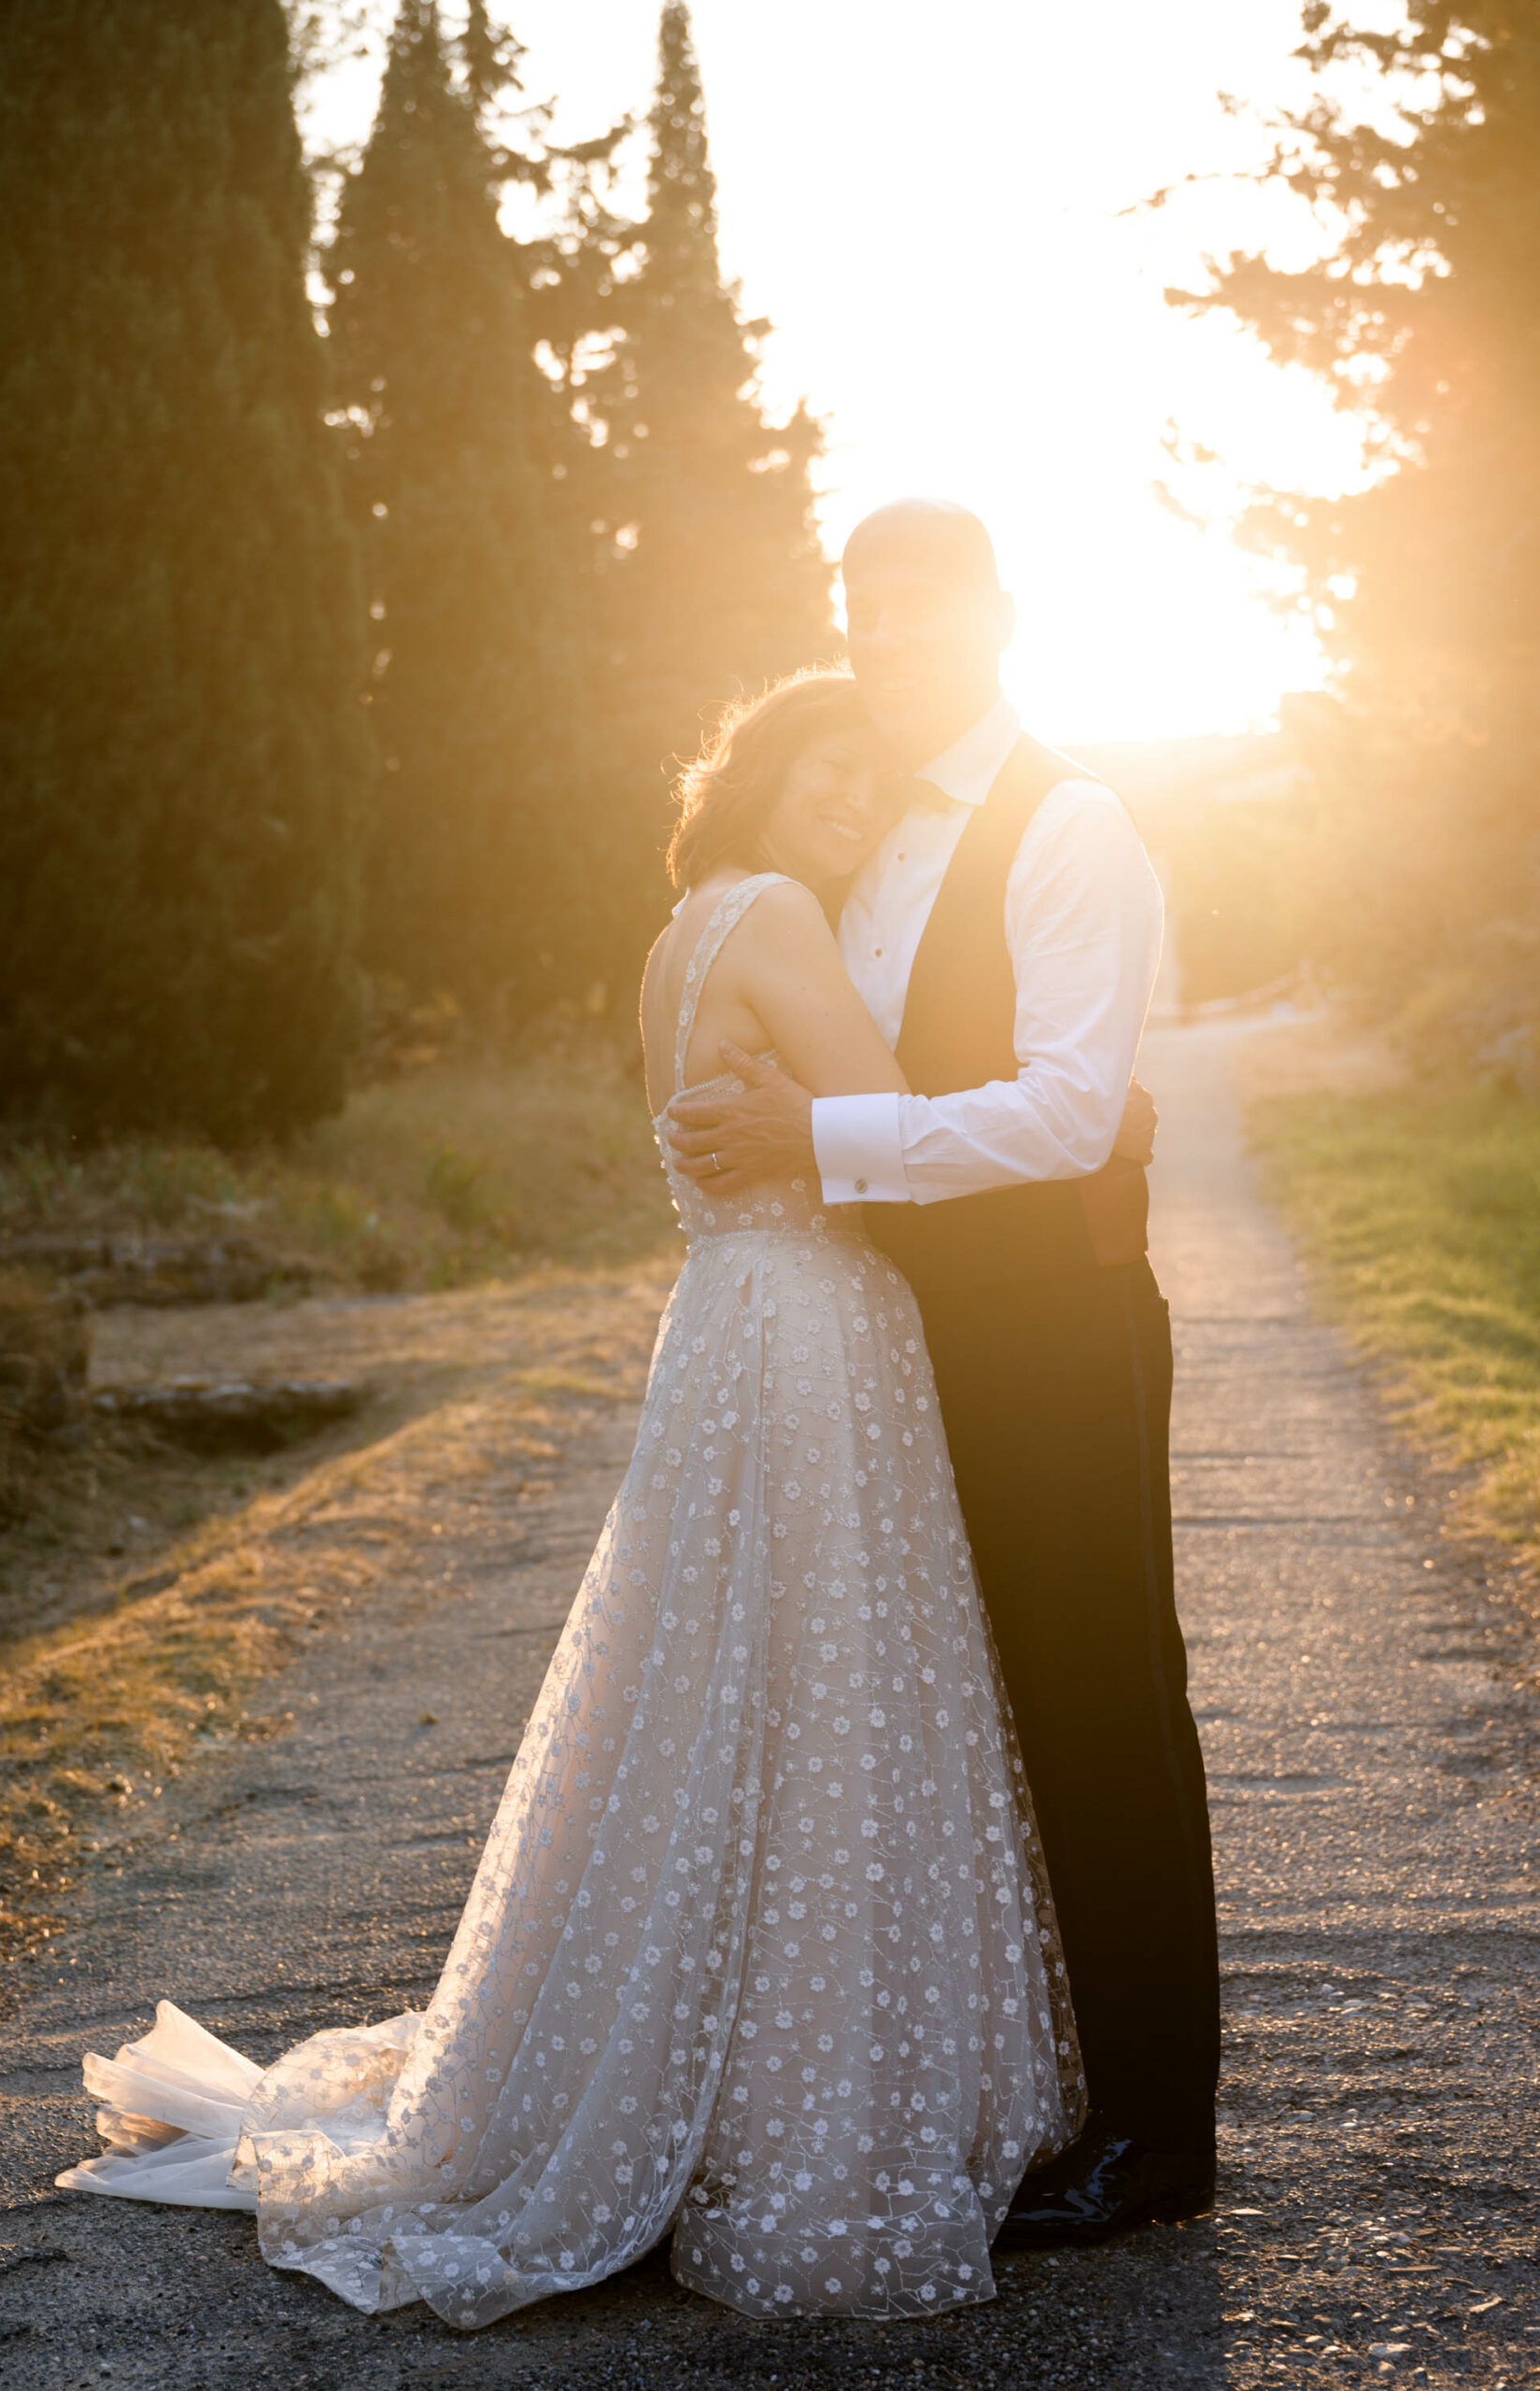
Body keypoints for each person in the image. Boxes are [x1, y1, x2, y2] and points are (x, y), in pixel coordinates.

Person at [56, 671, 1085, 2327]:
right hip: (812, 1326)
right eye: (827, 768)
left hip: (730, 1323)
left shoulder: (681, 935)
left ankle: (681, 2043)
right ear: (757, 775)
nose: (853, 797)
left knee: (704, 1692)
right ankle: (784, 2088)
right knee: (815, 1691)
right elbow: (873, 1127)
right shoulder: (784, 926)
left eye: (871, 781)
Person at [665, 502, 1221, 2244]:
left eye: (919, 612)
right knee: (948, 1729)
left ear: (994, 617)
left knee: (1101, 1715)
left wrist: (817, 1136)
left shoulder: (1070, 824)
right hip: (891, 1348)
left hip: (1053, 1336)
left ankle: (1157, 2132)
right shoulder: (860, 845)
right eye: (861, 613)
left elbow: (1066, 1106)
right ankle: (1012, 2087)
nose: (889, 640)